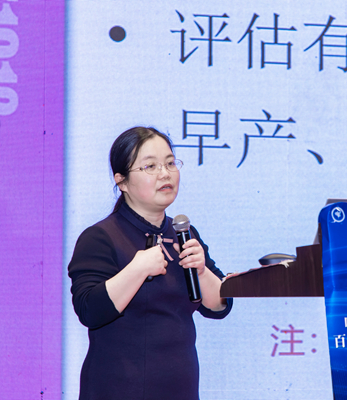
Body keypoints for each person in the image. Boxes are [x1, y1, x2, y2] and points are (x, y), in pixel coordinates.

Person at [68, 126, 233, 400]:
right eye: (150, 166)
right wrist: (137, 269)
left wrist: (202, 271)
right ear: (121, 181)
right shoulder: (100, 237)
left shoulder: (184, 233)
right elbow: (90, 312)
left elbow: (218, 307)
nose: (165, 174)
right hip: (119, 389)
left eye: (170, 163)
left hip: (180, 389)